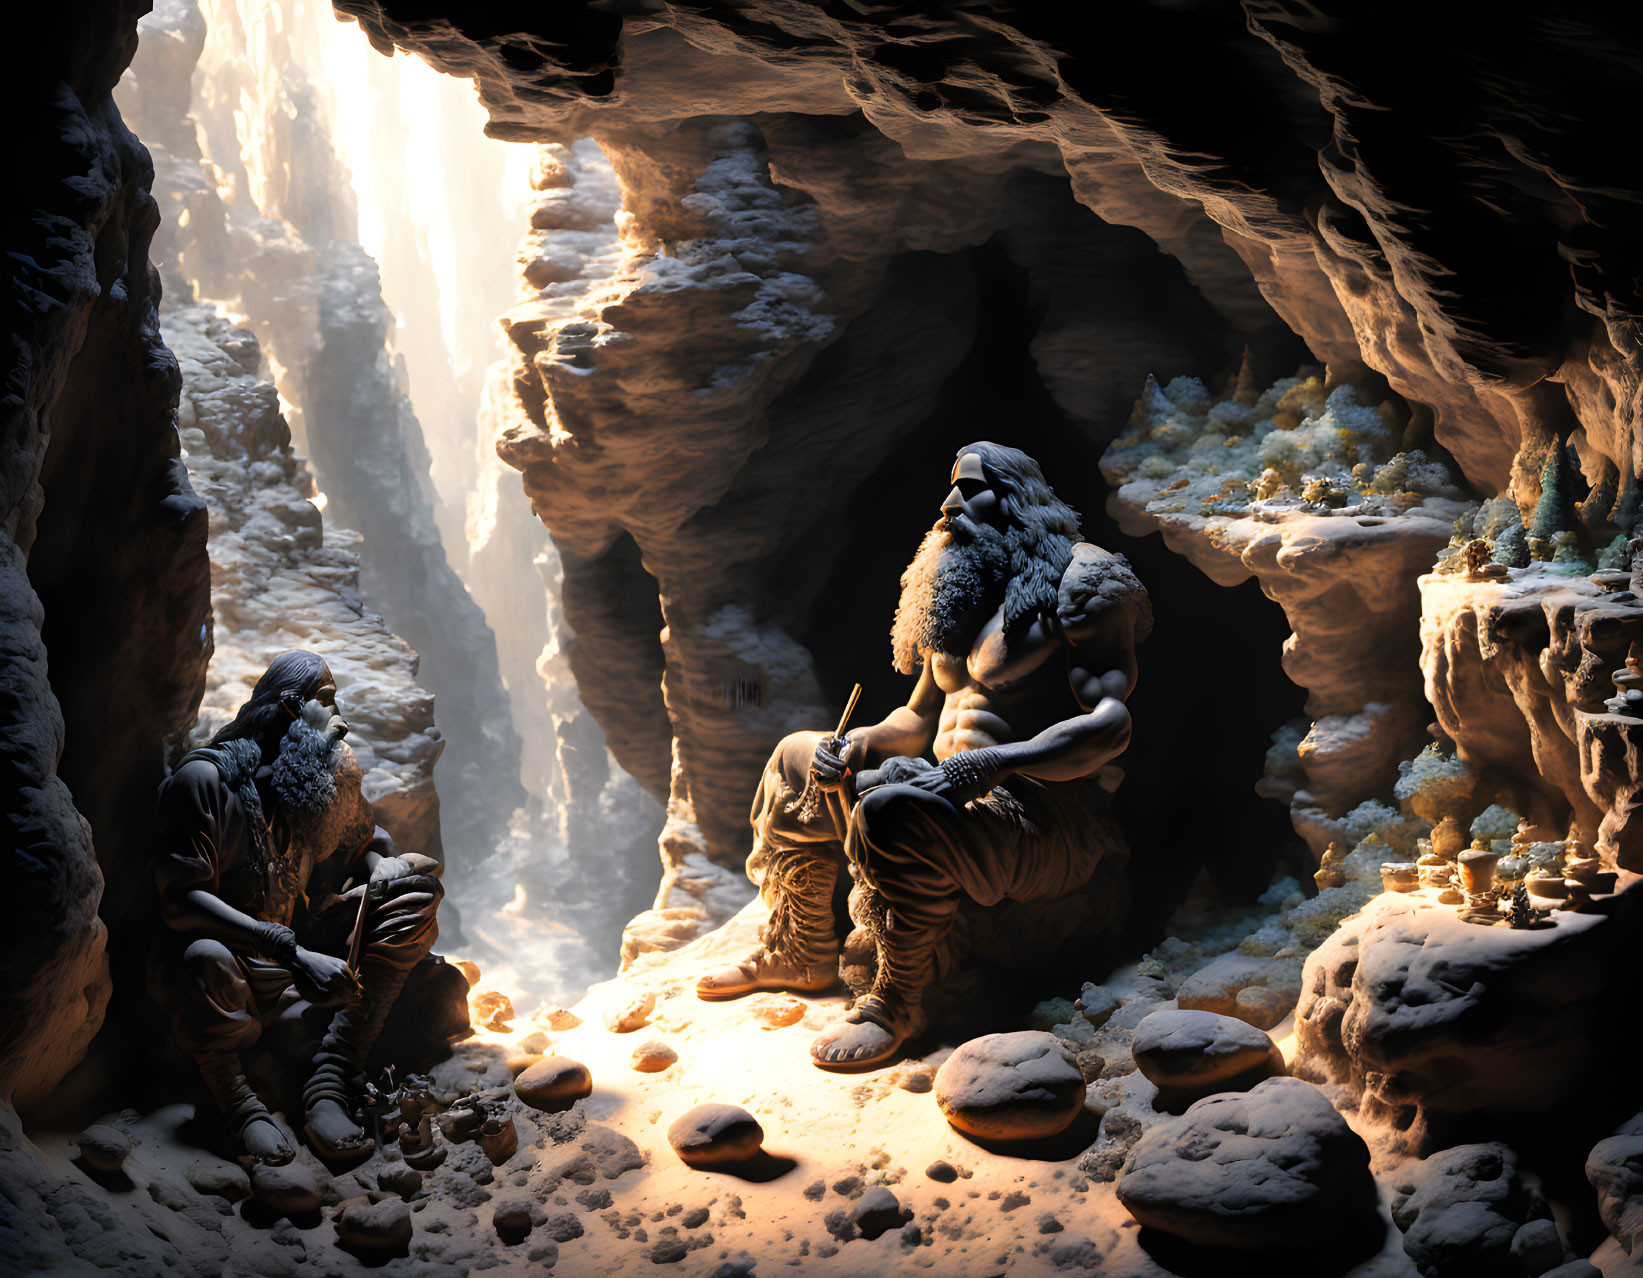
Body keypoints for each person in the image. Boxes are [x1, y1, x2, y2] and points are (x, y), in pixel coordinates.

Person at [697, 443, 1151, 1069]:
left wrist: (998, 763)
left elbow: (1110, 725)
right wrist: (855, 745)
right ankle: (800, 951)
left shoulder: (1082, 583)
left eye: (973, 489)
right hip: (941, 792)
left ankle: (895, 1003)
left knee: (891, 811)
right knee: (793, 758)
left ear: (1022, 501)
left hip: (1039, 816)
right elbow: (916, 718)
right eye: (951, 489)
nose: (951, 504)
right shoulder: (955, 590)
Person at [150, 651, 443, 1163]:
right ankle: (241, 1109)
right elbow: (182, 901)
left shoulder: (309, 785)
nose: (341, 721)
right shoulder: (206, 783)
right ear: (289, 707)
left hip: (302, 971)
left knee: (413, 896)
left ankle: (330, 1079)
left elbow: (363, 840)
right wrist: (289, 951)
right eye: (326, 703)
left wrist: (380, 868)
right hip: (238, 973)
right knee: (200, 959)